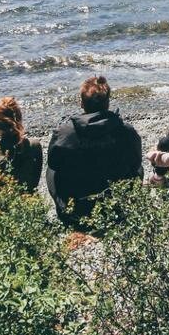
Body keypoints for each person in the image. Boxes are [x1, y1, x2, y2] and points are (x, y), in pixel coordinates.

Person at [46, 76, 143, 229]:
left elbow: (53, 162)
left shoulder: (64, 133)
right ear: (108, 103)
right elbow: (136, 162)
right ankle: (127, 203)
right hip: (116, 205)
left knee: (51, 170)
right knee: (137, 166)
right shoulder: (126, 131)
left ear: (82, 103)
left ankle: (65, 210)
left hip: (79, 209)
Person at [0, 96, 43, 194]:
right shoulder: (35, 146)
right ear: (20, 118)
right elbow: (35, 181)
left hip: (3, 206)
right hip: (31, 202)